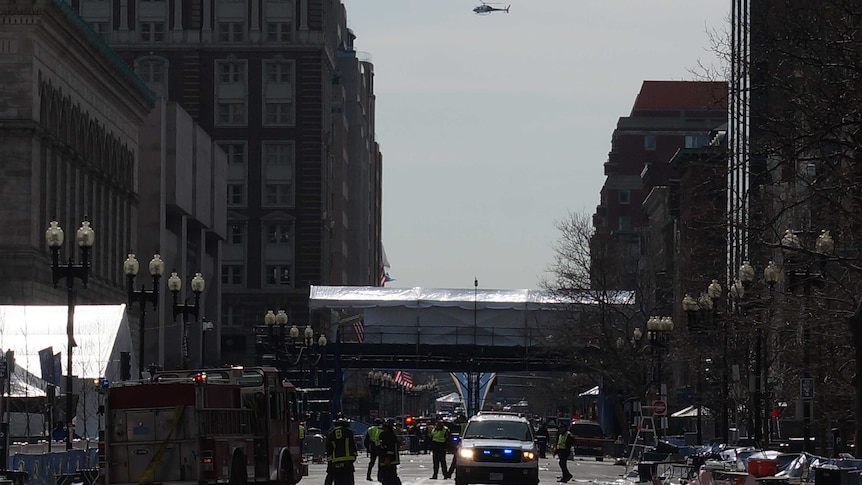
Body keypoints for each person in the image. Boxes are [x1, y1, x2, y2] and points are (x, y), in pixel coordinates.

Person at [326, 414, 358, 485]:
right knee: (349, 480)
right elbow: (353, 445)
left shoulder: (331, 433)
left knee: (338, 480)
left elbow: (329, 449)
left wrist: (330, 463)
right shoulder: (349, 432)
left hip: (336, 461)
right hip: (348, 461)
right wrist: (354, 456)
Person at [377, 420, 403, 485]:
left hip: (390, 460)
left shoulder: (390, 436)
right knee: (385, 476)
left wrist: (388, 458)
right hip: (383, 458)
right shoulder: (384, 435)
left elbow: (390, 447)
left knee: (391, 476)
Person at [445, 414, 467, 479]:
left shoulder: (461, 426)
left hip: (462, 444)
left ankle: (449, 474)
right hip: (467, 445)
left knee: (455, 461)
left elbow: (454, 428)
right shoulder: (469, 424)